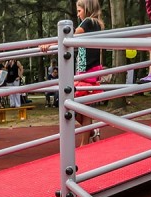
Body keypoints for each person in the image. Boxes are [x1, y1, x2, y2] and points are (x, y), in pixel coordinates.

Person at [41, 0, 104, 145]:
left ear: (87, 9)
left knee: (72, 104)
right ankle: (92, 132)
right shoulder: (96, 24)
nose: (78, 14)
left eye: (79, 10)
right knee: (80, 107)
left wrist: (50, 44)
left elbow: (69, 36)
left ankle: (85, 142)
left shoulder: (88, 22)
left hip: (87, 71)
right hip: (88, 70)